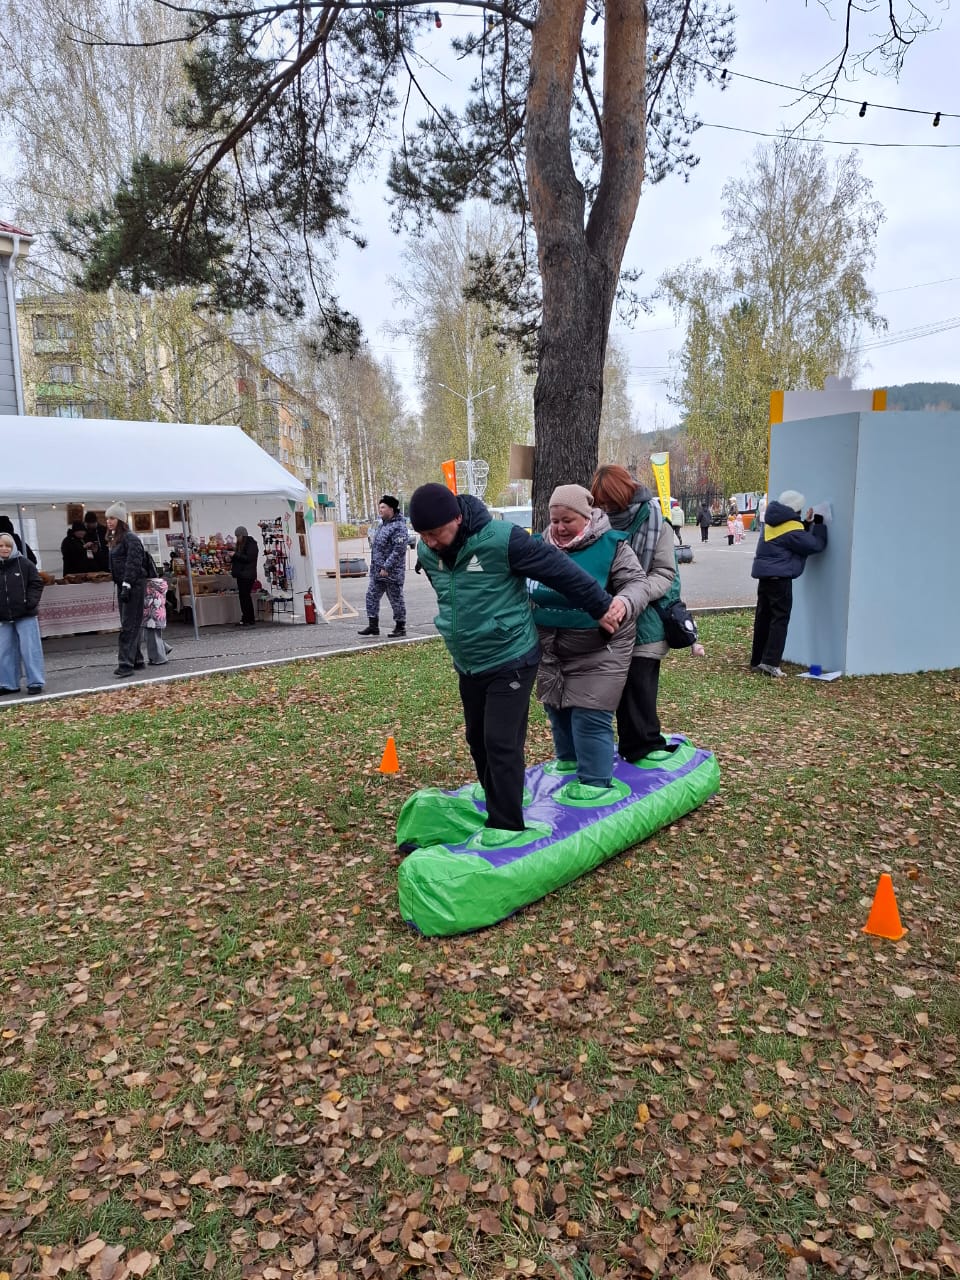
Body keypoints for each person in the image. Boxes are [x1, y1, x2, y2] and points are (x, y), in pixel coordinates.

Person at [408, 481, 625, 845]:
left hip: (512, 656)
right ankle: (499, 796)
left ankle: (506, 825)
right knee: (477, 739)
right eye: (423, 535)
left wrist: (601, 606)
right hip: (469, 661)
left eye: (436, 533)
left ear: (457, 519)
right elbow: (451, 595)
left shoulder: (502, 540)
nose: (430, 542)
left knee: (501, 741)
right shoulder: (428, 552)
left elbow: (559, 571)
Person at [530, 485, 652, 799]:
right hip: (552, 646)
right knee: (556, 707)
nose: (559, 528)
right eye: (554, 520)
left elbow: (637, 583)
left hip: (602, 646)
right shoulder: (538, 547)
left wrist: (623, 602)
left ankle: (596, 783)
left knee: (589, 713)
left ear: (586, 517)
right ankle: (569, 760)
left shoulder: (612, 545)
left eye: (567, 520)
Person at [590, 464, 679, 763]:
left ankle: (645, 746)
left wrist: (631, 596)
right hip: (605, 619)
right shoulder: (594, 524)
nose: (605, 509)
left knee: (639, 687)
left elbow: (665, 574)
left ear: (625, 494)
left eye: (610, 502)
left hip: (645, 620)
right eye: (600, 503)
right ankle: (622, 746)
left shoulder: (657, 523)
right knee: (607, 690)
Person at [750, 489, 828, 678]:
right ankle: (770, 663)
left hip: (765, 578)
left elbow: (790, 536)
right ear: (795, 510)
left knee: (763, 619)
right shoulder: (791, 530)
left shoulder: (772, 523)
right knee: (779, 620)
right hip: (780, 580)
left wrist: (805, 524)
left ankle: (757, 660)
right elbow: (815, 545)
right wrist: (818, 525)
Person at [105, 501, 148, 677]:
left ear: (121, 520)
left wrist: (127, 584)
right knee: (129, 623)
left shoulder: (130, 538)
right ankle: (137, 659)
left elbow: (133, 563)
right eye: (107, 518)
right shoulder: (116, 539)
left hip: (133, 585)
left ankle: (125, 664)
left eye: (112, 518)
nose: (109, 521)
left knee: (129, 625)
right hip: (124, 584)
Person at [0, 532, 46, 694]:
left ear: (13, 547)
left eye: (8, 546)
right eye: (1, 546)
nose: (4, 549)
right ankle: (8, 683)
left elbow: (36, 583)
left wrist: (30, 602)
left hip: (25, 615)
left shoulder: (25, 564)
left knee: (30, 649)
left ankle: (35, 682)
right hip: (3, 617)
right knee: (4, 651)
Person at [359, 495, 409, 638]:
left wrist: (386, 567)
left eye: (383, 507)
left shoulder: (399, 526)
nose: (380, 510)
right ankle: (373, 626)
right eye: (379, 507)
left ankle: (400, 627)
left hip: (391, 572)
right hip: (377, 571)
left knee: (396, 599)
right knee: (371, 596)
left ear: (391, 509)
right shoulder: (382, 525)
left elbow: (399, 550)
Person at [230, 526, 259, 626]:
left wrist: (235, 555)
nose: (237, 538)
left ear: (242, 535)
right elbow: (241, 558)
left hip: (247, 575)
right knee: (243, 597)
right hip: (242, 574)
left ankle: (248, 618)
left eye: (238, 536)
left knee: (245, 597)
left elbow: (249, 558)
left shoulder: (251, 544)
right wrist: (231, 557)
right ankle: (247, 618)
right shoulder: (241, 545)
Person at [143, 575, 173, 665]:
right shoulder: (160, 584)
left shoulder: (149, 586)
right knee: (155, 635)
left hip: (151, 616)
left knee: (151, 636)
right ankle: (164, 648)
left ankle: (159, 658)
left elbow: (146, 603)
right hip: (159, 614)